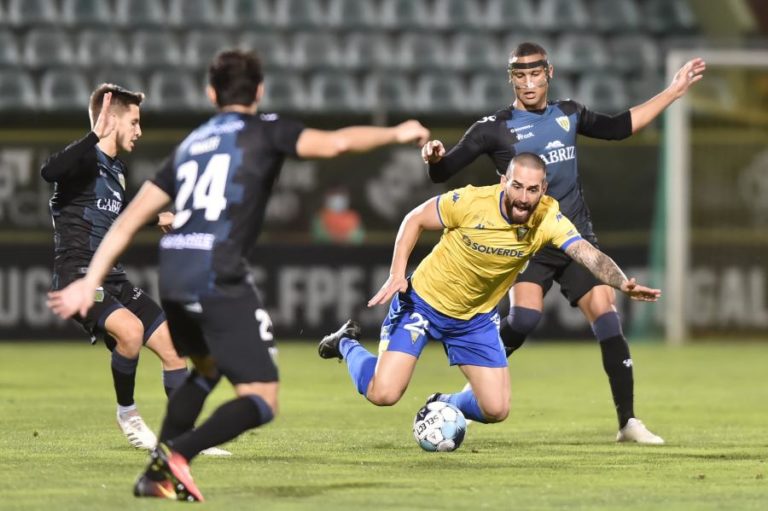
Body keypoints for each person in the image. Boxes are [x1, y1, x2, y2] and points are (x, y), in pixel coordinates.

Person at [47, 49, 430, 502]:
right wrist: (398, 131)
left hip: (175, 270)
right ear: (260, 91)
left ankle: (158, 470)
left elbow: (128, 220)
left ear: (211, 93)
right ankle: (176, 458)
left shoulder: (193, 142)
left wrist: (88, 278)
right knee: (262, 399)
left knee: (203, 368)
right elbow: (338, 144)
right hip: (217, 272)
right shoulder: (264, 129)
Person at [420, 42, 706, 444]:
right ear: (511, 79)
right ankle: (473, 392)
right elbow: (443, 171)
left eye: (535, 74)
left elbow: (618, 127)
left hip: (572, 238)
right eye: (520, 76)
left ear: (548, 73)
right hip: (526, 244)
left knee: (607, 317)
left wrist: (673, 92)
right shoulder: (493, 128)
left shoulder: (569, 114)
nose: (528, 83)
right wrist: (434, 157)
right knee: (524, 320)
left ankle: (628, 422)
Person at [318, 153, 660, 433]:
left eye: (532, 189)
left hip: (474, 319)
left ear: (544, 189)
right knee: (384, 393)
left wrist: (621, 282)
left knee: (496, 409)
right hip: (423, 303)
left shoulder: (547, 218)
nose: (523, 198)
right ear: (503, 182)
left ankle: (444, 404)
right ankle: (345, 344)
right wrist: (397, 273)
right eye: (516, 186)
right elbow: (414, 219)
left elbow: (588, 254)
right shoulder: (470, 201)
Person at [40, 84, 193, 452]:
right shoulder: (84, 160)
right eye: (135, 122)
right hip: (79, 277)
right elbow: (49, 171)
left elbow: (116, 219)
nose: (139, 131)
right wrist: (95, 132)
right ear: (112, 119)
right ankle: (128, 414)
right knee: (130, 330)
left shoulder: (117, 170)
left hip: (114, 278)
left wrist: (155, 217)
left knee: (174, 348)